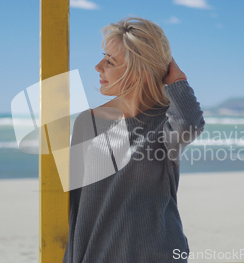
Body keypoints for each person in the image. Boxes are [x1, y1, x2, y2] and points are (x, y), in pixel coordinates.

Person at [63, 16, 205, 263]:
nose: (98, 67)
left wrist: (177, 81)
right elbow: (76, 208)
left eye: (110, 60)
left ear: (138, 69)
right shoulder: (88, 122)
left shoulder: (165, 122)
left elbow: (189, 125)